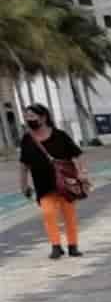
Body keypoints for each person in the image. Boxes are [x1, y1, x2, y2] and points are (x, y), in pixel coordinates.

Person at [18, 103, 83, 260]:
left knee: (69, 215)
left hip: (65, 183)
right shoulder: (27, 139)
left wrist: (82, 172)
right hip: (43, 185)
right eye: (27, 117)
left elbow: (77, 155)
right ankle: (56, 246)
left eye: (32, 116)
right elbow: (23, 164)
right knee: (48, 214)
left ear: (43, 117)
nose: (29, 119)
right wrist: (23, 184)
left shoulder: (60, 135)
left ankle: (73, 246)